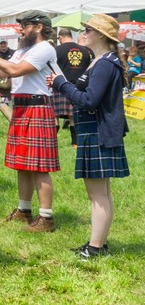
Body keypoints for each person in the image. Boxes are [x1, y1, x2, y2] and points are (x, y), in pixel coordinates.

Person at [51, 15, 130, 259]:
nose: (82, 33)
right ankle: (99, 244)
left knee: (98, 195)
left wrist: (61, 84)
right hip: (94, 131)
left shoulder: (104, 64)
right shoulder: (101, 61)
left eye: (87, 30)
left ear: (99, 35)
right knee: (101, 194)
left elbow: (89, 100)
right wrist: (61, 83)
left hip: (97, 131)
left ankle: (94, 248)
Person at [0, 10, 60, 232]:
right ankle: (24, 210)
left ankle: (46, 218)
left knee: (40, 167)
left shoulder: (45, 49)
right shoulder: (23, 49)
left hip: (38, 107)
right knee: (22, 164)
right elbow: (3, 73)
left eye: (25, 25)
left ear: (38, 27)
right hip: (22, 108)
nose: (21, 29)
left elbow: (15, 69)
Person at [54, 28, 93, 147]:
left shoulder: (56, 50)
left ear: (60, 37)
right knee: (73, 115)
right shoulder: (86, 51)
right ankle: (75, 143)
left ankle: (53, 141)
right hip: (78, 87)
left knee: (54, 114)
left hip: (60, 85)